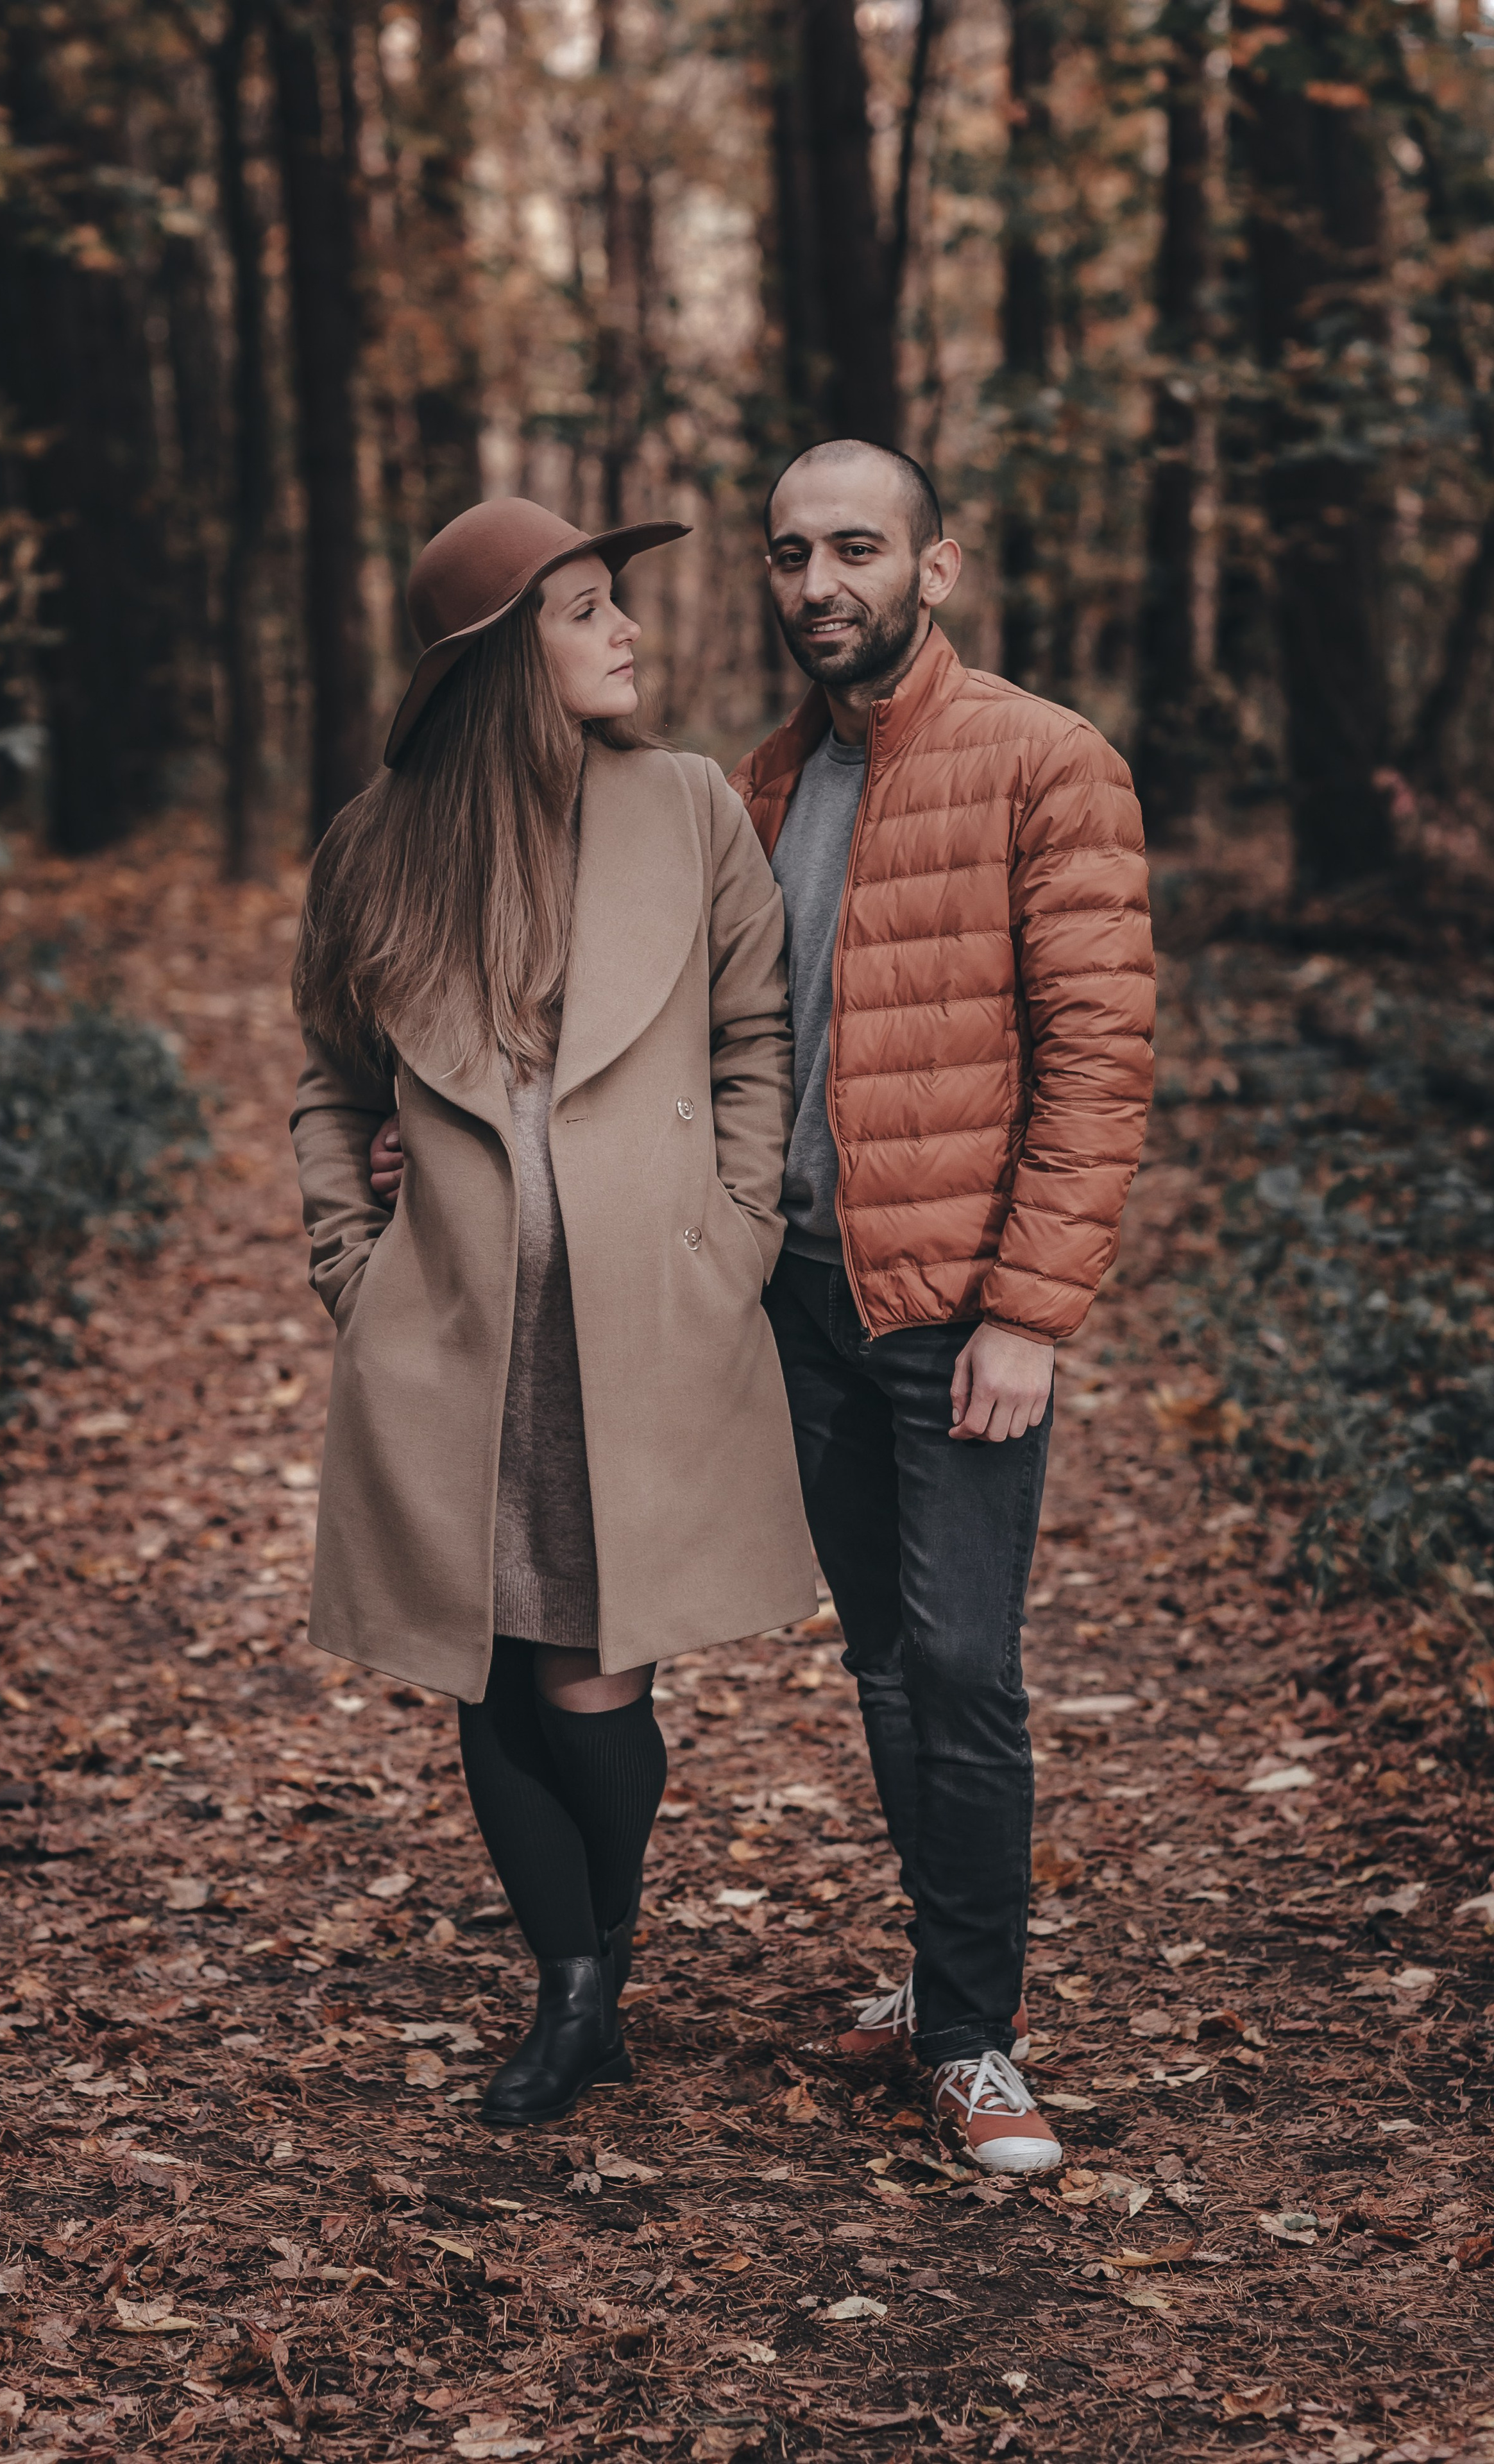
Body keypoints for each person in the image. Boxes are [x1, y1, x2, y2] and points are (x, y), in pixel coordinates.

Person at [291, 497, 815, 2130]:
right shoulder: (377, 843)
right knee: (490, 1670)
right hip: (451, 1334)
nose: (626, 631)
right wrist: (348, 1261)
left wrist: (731, 1235)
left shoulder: (684, 808)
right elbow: (325, 1074)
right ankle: (573, 1988)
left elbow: (753, 1036)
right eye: (585, 609)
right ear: (505, 656)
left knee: (595, 1677)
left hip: (641, 1322)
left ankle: (604, 1957)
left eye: (615, 603)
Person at [733, 439, 1155, 2175]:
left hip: (959, 1314)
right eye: (789, 554)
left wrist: (1030, 1312)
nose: (820, 582)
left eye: (855, 548)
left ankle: (975, 2039)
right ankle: (943, 1974)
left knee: (966, 1667)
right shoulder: (763, 783)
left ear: (938, 568)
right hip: (809, 1307)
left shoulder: (1045, 764)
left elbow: (1100, 1054)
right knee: (891, 1664)